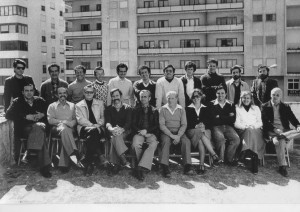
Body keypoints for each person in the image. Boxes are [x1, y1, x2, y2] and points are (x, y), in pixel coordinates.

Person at [5, 83, 51, 178]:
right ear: (23, 92)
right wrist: (25, 117)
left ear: (34, 91)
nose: (29, 93)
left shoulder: (40, 100)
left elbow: (50, 113)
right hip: (24, 129)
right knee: (40, 130)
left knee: (39, 128)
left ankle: (30, 152)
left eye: (31, 90)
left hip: (40, 128)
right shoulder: (17, 101)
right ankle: (44, 167)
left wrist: (43, 115)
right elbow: (8, 115)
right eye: (26, 91)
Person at [261, 88, 300, 177]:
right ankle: (282, 166)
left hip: (284, 130)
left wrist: (298, 126)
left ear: (281, 96)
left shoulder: (285, 107)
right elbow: (264, 122)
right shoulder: (264, 106)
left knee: (297, 132)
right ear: (270, 95)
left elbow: (293, 119)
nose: (275, 97)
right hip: (271, 131)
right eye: (273, 95)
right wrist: (275, 129)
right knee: (281, 141)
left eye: (277, 95)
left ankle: (281, 136)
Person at [185, 89, 221, 174]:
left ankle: (201, 165)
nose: (195, 98)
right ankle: (213, 154)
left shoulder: (206, 108)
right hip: (191, 131)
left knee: (201, 139)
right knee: (200, 132)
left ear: (201, 97)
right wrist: (196, 126)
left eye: (197, 96)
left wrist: (204, 126)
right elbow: (186, 123)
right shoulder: (187, 108)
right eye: (193, 97)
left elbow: (211, 122)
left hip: (204, 131)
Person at [159, 91, 192, 178]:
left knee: (186, 141)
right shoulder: (162, 109)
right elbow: (162, 125)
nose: (170, 100)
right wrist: (171, 135)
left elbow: (184, 124)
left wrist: (178, 135)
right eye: (168, 98)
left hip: (178, 132)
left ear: (176, 99)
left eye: (172, 98)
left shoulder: (181, 109)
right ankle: (165, 166)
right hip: (167, 132)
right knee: (165, 141)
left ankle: (187, 166)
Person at [47, 87, 80, 173]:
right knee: (65, 130)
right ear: (56, 95)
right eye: (60, 93)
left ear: (67, 94)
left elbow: (75, 119)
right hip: (56, 128)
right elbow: (50, 120)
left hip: (70, 128)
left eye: (64, 93)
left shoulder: (73, 106)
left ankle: (65, 163)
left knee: (66, 132)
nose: (62, 95)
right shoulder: (52, 106)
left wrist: (71, 123)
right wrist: (63, 122)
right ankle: (74, 153)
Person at [75, 85, 107, 176]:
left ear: (94, 93)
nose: (89, 94)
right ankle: (100, 156)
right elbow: (80, 119)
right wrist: (92, 125)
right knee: (93, 132)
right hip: (84, 128)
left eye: (91, 92)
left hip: (98, 127)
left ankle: (88, 162)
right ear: (84, 93)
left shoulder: (100, 103)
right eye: (87, 92)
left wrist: (98, 125)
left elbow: (103, 117)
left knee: (93, 133)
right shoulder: (78, 105)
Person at [234, 91, 265, 174]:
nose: (246, 100)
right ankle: (254, 158)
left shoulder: (256, 108)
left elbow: (260, 122)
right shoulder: (237, 107)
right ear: (241, 98)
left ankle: (244, 153)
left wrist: (253, 127)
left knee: (250, 131)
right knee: (248, 131)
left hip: (256, 130)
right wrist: (246, 127)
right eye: (244, 98)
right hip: (243, 130)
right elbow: (236, 123)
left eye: (248, 98)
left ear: (251, 99)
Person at [131, 90, 159, 181]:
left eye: (145, 96)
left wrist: (148, 131)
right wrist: (140, 131)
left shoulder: (154, 110)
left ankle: (139, 168)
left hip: (150, 133)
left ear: (149, 98)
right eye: (141, 97)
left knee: (153, 144)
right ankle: (142, 166)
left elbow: (156, 125)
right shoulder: (135, 110)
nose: (143, 98)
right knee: (135, 144)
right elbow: (133, 124)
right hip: (139, 133)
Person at [209, 86, 240, 165]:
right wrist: (227, 116)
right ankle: (220, 159)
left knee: (236, 139)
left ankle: (229, 159)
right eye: (218, 93)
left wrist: (219, 116)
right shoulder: (211, 104)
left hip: (228, 127)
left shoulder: (231, 104)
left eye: (222, 93)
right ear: (215, 94)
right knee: (221, 139)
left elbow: (232, 120)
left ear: (226, 94)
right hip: (216, 127)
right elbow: (213, 120)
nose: (220, 95)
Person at [105, 88, 132, 174]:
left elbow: (128, 123)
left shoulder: (128, 108)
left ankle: (115, 164)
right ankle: (122, 159)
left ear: (120, 96)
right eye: (113, 96)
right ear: (111, 98)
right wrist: (111, 129)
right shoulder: (108, 109)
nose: (115, 97)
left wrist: (122, 129)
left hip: (125, 131)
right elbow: (108, 122)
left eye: (117, 95)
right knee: (115, 137)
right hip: (113, 131)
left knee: (115, 138)